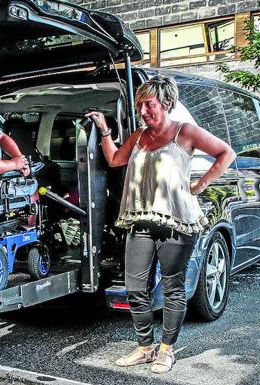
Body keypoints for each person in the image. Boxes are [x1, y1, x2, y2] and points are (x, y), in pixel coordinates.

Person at [86, 76, 236, 374]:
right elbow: (115, 159)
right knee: (135, 288)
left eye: (149, 104)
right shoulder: (140, 135)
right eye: (140, 104)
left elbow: (226, 153)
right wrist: (104, 131)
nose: (143, 110)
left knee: (172, 287)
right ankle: (145, 348)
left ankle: (166, 350)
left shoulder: (186, 132)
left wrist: (200, 185)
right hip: (139, 221)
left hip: (177, 224)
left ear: (166, 104)